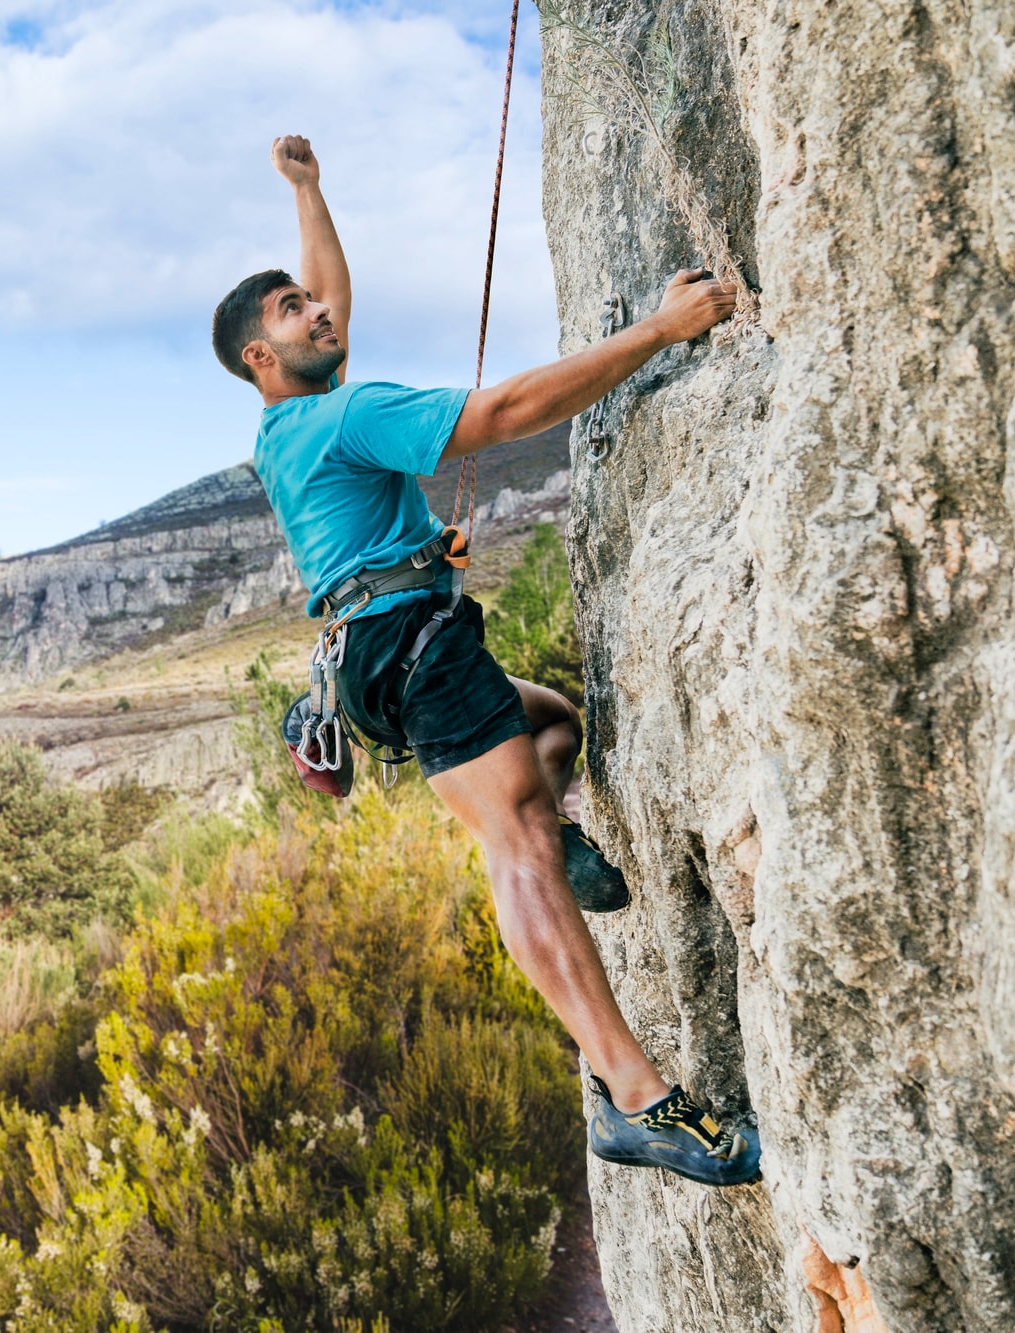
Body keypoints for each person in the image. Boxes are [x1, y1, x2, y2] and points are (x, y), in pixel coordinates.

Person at [214, 134, 758, 1187]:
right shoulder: (346, 413)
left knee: (550, 725)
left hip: (372, 653)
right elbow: (506, 414)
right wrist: (659, 328)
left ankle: (556, 847)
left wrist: (308, 192)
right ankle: (634, 1098)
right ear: (259, 356)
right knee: (511, 837)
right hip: (407, 646)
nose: (319, 311)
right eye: (292, 312)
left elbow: (329, 295)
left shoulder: (283, 429)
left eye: (311, 302)